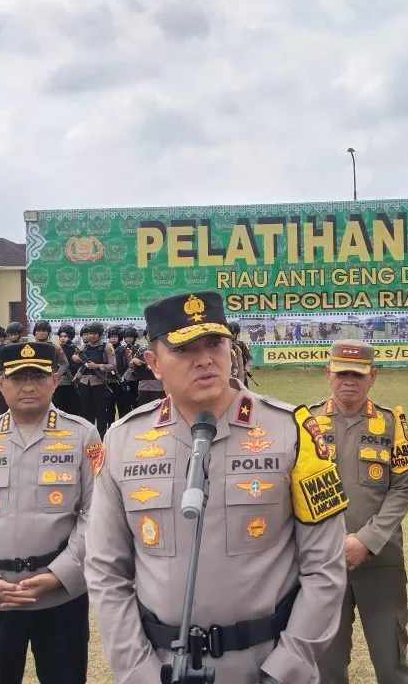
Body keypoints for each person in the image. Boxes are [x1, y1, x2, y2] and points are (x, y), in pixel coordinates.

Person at [84, 291, 348, 684]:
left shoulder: (293, 431)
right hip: (161, 668)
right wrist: (138, 671)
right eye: (185, 348)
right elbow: (107, 571)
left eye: (215, 344)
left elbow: (324, 568)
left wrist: (286, 669)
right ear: (154, 363)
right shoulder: (123, 441)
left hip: (267, 665)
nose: (205, 359)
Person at [0, 341, 101, 684]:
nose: (28, 386)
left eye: (37, 376)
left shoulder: (82, 435)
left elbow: (96, 514)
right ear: (1, 383)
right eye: (17, 377)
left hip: (61, 595)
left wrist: (60, 575)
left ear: (55, 380)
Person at [310, 340, 408, 684]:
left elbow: (402, 488)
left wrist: (367, 540)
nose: (349, 381)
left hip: (380, 558)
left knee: (391, 662)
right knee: (326, 662)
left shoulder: (391, 423)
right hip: (322, 561)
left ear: (372, 376)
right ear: (328, 374)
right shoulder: (306, 422)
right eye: (341, 373)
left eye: (357, 375)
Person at [72, 322, 115, 437]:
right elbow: (77, 359)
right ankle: (87, 437)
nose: (91, 336)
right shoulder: (83, 347)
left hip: (99, 383)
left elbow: (113, 366)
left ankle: (101, 437)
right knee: (86, 413)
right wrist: (75, 358)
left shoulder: (107, 347)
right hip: (84, 383)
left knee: (101, 414)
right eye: (90, 333)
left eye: (94, 333)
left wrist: (97, 366)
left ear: (100, 334)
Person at [53, 323, 81, 416]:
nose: (62, 338)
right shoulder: (56, 349)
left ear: (70, 337)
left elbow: (83, 366)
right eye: (61, 336)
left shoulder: (76, 350)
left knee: (72, 409)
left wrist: (77, 361)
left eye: (65, 336)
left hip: (71, 382)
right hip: (59, 381)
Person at [229, 321, 253, 386]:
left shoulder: (242, 345)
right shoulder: (225, 346)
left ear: (237, 333)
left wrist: (247, 369)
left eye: (234, 333)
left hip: (242, 375)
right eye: (230, 333)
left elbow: (250, 358)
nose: (232, 335)